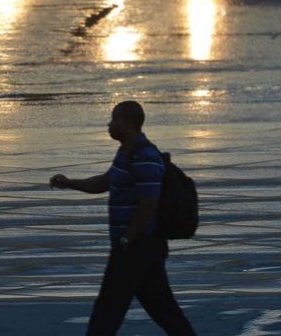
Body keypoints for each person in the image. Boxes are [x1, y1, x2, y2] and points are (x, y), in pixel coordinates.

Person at [50, 100, 196, 336]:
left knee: (108, 310)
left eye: (114, 119)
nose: (109, 125)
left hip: (137, 247)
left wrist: (127, 238)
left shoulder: (144, 156)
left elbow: (149, 204)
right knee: (163, 310)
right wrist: (68, 183)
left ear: (128, 123)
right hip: (139, 247)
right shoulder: (126, 152)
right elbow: (104, 182)